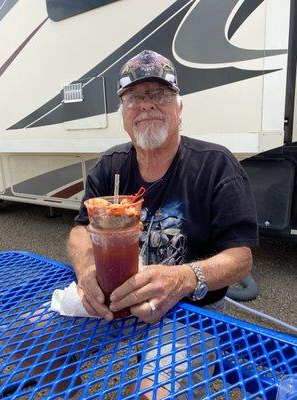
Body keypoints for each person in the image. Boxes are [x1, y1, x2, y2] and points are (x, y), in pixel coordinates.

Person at [67, 49, 258, 398]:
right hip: (111, 300)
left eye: (160, 94)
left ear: (179, 109)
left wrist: (184, 277)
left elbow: (240, 257)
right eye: (136, 97)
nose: (147, 105)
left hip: (187, 309)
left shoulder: (217, 166)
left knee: (155, 394)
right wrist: (86, 269)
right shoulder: (110, 165)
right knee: (26, 340)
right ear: (122, 115)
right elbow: (81, 229)